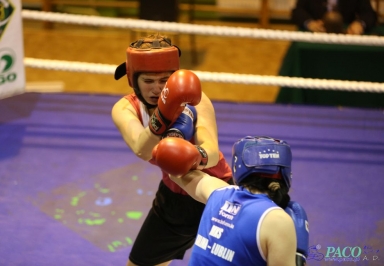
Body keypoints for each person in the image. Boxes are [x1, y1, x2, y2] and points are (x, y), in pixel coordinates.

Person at [111, 33, 232, 266]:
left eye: (165, 81)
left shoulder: (195, 98)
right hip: (173, 197)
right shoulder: (125, 108)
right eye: (148, 81)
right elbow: (142, 149)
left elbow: (212, 151)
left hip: (216, 194)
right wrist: (163, 116)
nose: (157, 89)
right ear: (133, 79)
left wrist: (194, 155)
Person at [152, 136, 310, 265]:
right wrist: (298, 258)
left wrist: (169, 149)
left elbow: (177, 171)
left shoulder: (218, 192)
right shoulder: (277, 220)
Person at [291, 0, 377, 34]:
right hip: (317, 35)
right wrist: (309, 23)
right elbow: (298, 11)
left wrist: (360, 23)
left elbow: (369, 13)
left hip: (347, 36)